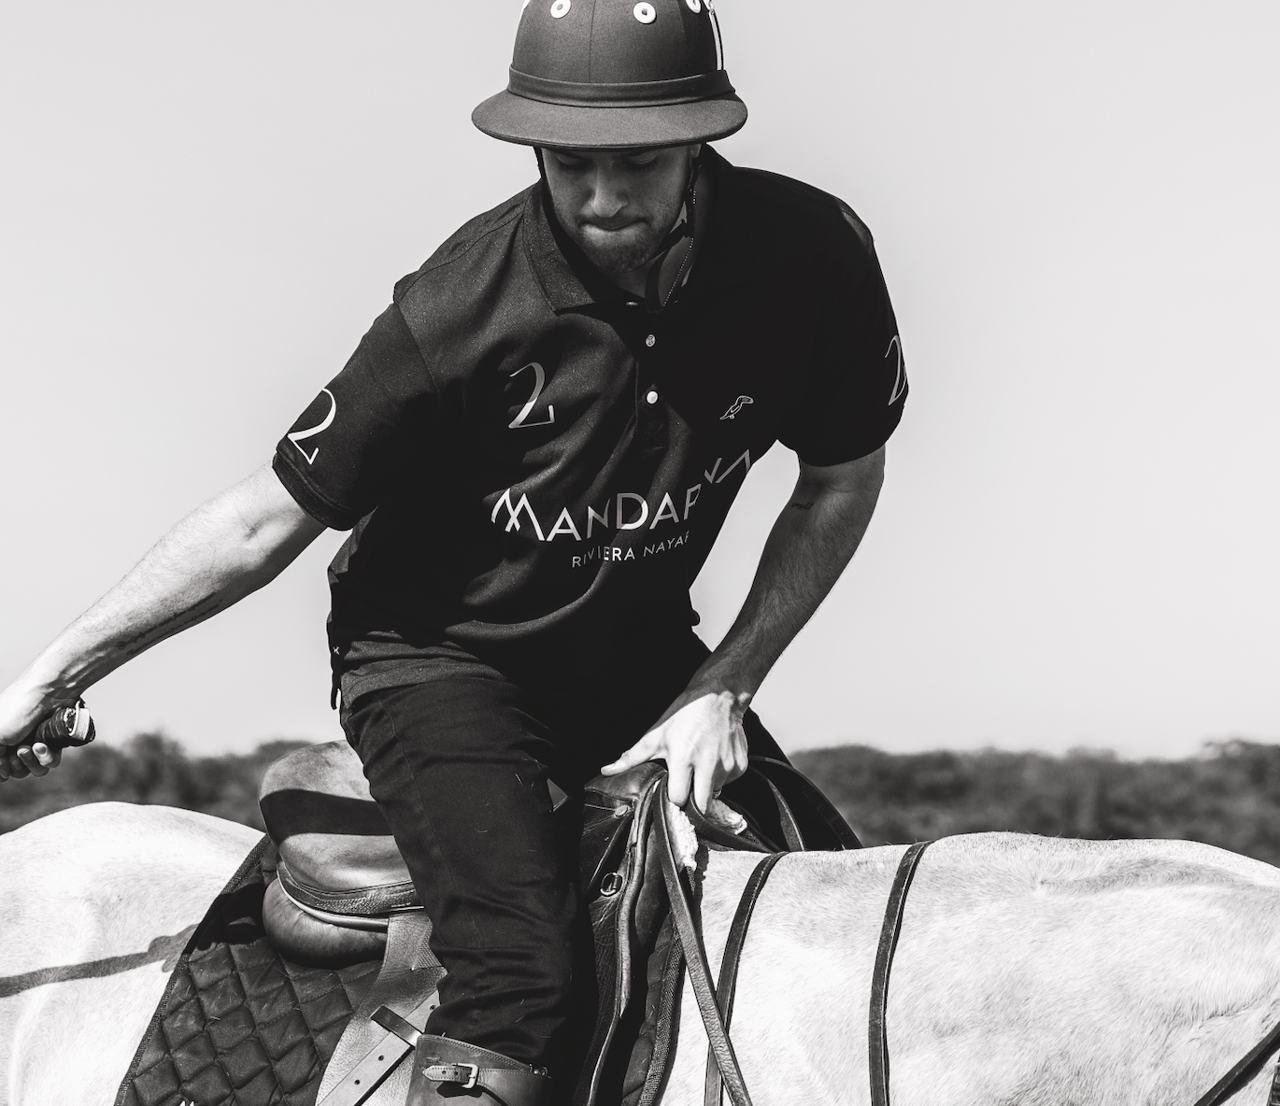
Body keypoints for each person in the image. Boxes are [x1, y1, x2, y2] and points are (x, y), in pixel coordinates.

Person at [0, 2, 907, 1102]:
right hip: (437, 659)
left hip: (640, 659)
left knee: (826, 886)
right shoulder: (459, 308)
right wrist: (50, 673)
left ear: (701, 140)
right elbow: (262, 519)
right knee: (520, 970)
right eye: (571, 164)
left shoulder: (812, 257)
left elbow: (841, 473)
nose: (605, 198)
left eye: (640, 163)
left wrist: (726, 682)